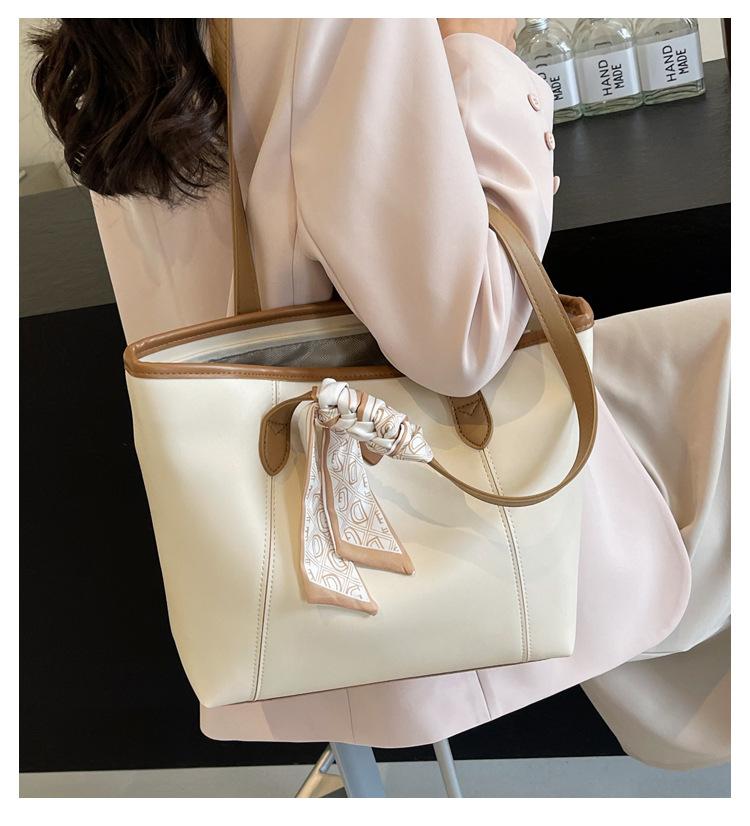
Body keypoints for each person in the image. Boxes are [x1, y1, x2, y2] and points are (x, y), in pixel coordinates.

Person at [31, 18, 729, 770]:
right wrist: (483, 50)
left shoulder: (109, 34)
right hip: (414, 520)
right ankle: (671, 714)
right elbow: (465, 338)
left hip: (284, 545)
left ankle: (668, 710)